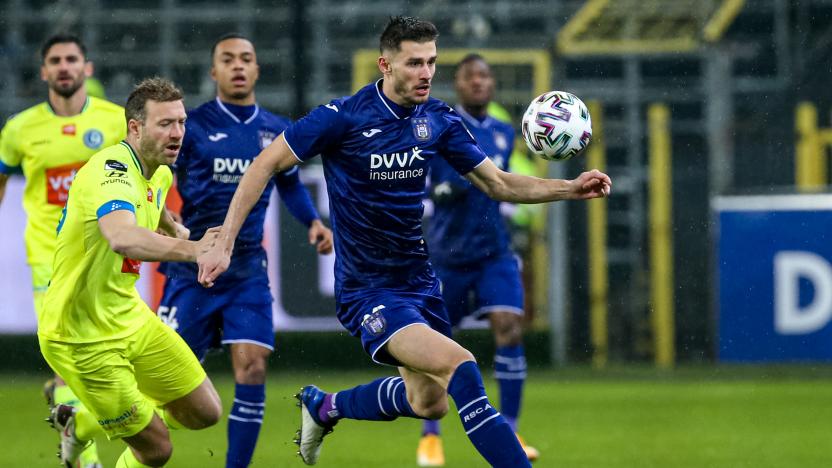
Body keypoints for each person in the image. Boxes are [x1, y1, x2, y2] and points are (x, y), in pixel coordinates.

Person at [198, 16, 611, 467]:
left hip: (420, 284)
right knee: (463, 367)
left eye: (432, 62)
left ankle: (324, 406)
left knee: (427, 402)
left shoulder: (438, 120)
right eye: (415, 62)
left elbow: (498, 184)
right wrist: (224, 241)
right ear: (385, 65)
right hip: (368, 290)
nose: (427, 73)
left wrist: (570, 187)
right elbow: (263, 164)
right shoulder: (343, 118)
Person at [156, 33, 333, 468]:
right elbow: (153, 179)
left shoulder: (274, 130)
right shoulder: (191, 126)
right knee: (166, 387)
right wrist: (167, 228)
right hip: (191, 270)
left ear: (257, 70)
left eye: (246, 59)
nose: (238, 66)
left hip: (247, 269)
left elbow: (289, 183)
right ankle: (97, 430)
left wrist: (311, 220)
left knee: (252, 367)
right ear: (213, 71)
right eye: (228, 59)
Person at [39, 77, 223, 468]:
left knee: (205, 412)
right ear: (135, 128)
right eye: (165, 124)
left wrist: (173, 226)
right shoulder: (110, 168)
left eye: (182, 122)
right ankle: (98, 426)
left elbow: (150, 211)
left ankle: (79, 423)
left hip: (128, 315)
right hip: (80, 334)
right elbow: (122, 236)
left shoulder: (158, 173)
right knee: (156, 449)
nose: (178, 134)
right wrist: (194, 250)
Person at [0, 32, 126, 468]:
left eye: (72, 59)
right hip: (48, 258)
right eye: (55, 60)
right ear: (44, 72)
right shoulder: (19, 129)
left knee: (111, 355)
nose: (64, 67)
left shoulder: (115, 122)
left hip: (104, 256)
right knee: (68, 352)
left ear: (87, 69)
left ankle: (65, 404)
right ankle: (84, 455)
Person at [417, 53, 538, 466]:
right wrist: (443, 191)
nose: (479, 83)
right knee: (437, 345)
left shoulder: (505, 131)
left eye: (485, 76)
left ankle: (513, 430)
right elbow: (424, 184)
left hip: (495, 253)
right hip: (448, 255)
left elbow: (509, 183)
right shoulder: (439, 126)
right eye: (471, 77)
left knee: (509, 327)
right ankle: (430, 435)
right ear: (459, 85)